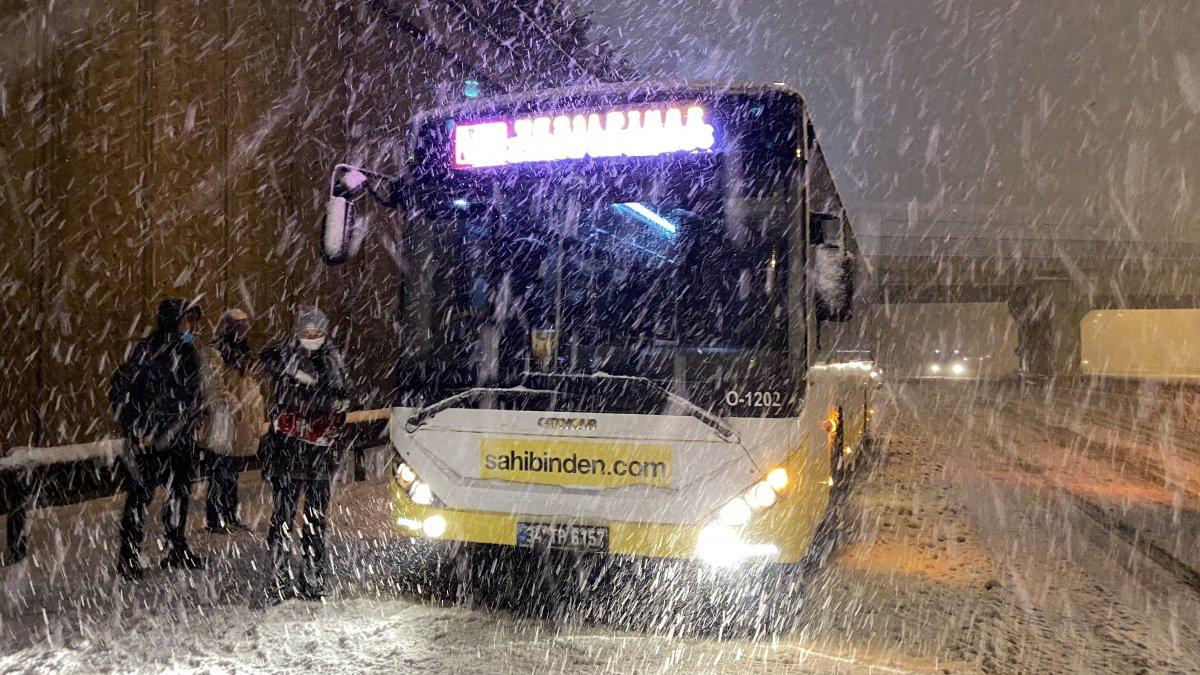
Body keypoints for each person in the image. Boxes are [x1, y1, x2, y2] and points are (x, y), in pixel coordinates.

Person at [108, 297, 207, 580]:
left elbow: (192, 393)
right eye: (187, 320)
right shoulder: (147, 352)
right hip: (150, 442)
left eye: (193, 321)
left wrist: (196, 413)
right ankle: (129, 555)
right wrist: (141, 426)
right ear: (173, 321)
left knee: (179, 495)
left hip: (180, 439)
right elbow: (120, 393)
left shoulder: (188, 353)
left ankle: (176, 547)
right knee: (140, 497)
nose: (191, 326)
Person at [260, 306, 350, 602]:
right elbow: (271, 363)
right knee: (282, 519)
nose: (311, 337)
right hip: (288, 453)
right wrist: (300, 379)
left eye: (316, 332)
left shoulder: (333, 360)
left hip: (319, 456)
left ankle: (313, 578)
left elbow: (340, 401)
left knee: (315, 519)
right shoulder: (288, 358)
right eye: (306, 332)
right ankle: (278, 579)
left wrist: (321, 396)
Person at [200, 309, 265, 533]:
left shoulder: (239, 351)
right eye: (238, 325)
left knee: (231, 471)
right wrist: (233, 405)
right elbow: (214, 388)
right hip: (223, 422)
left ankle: (229, 515)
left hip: (238, 422)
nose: (242, 330)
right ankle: (216, 518)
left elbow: (245, 383)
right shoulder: (215, 352)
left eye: (244, 325)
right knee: (220, 470)